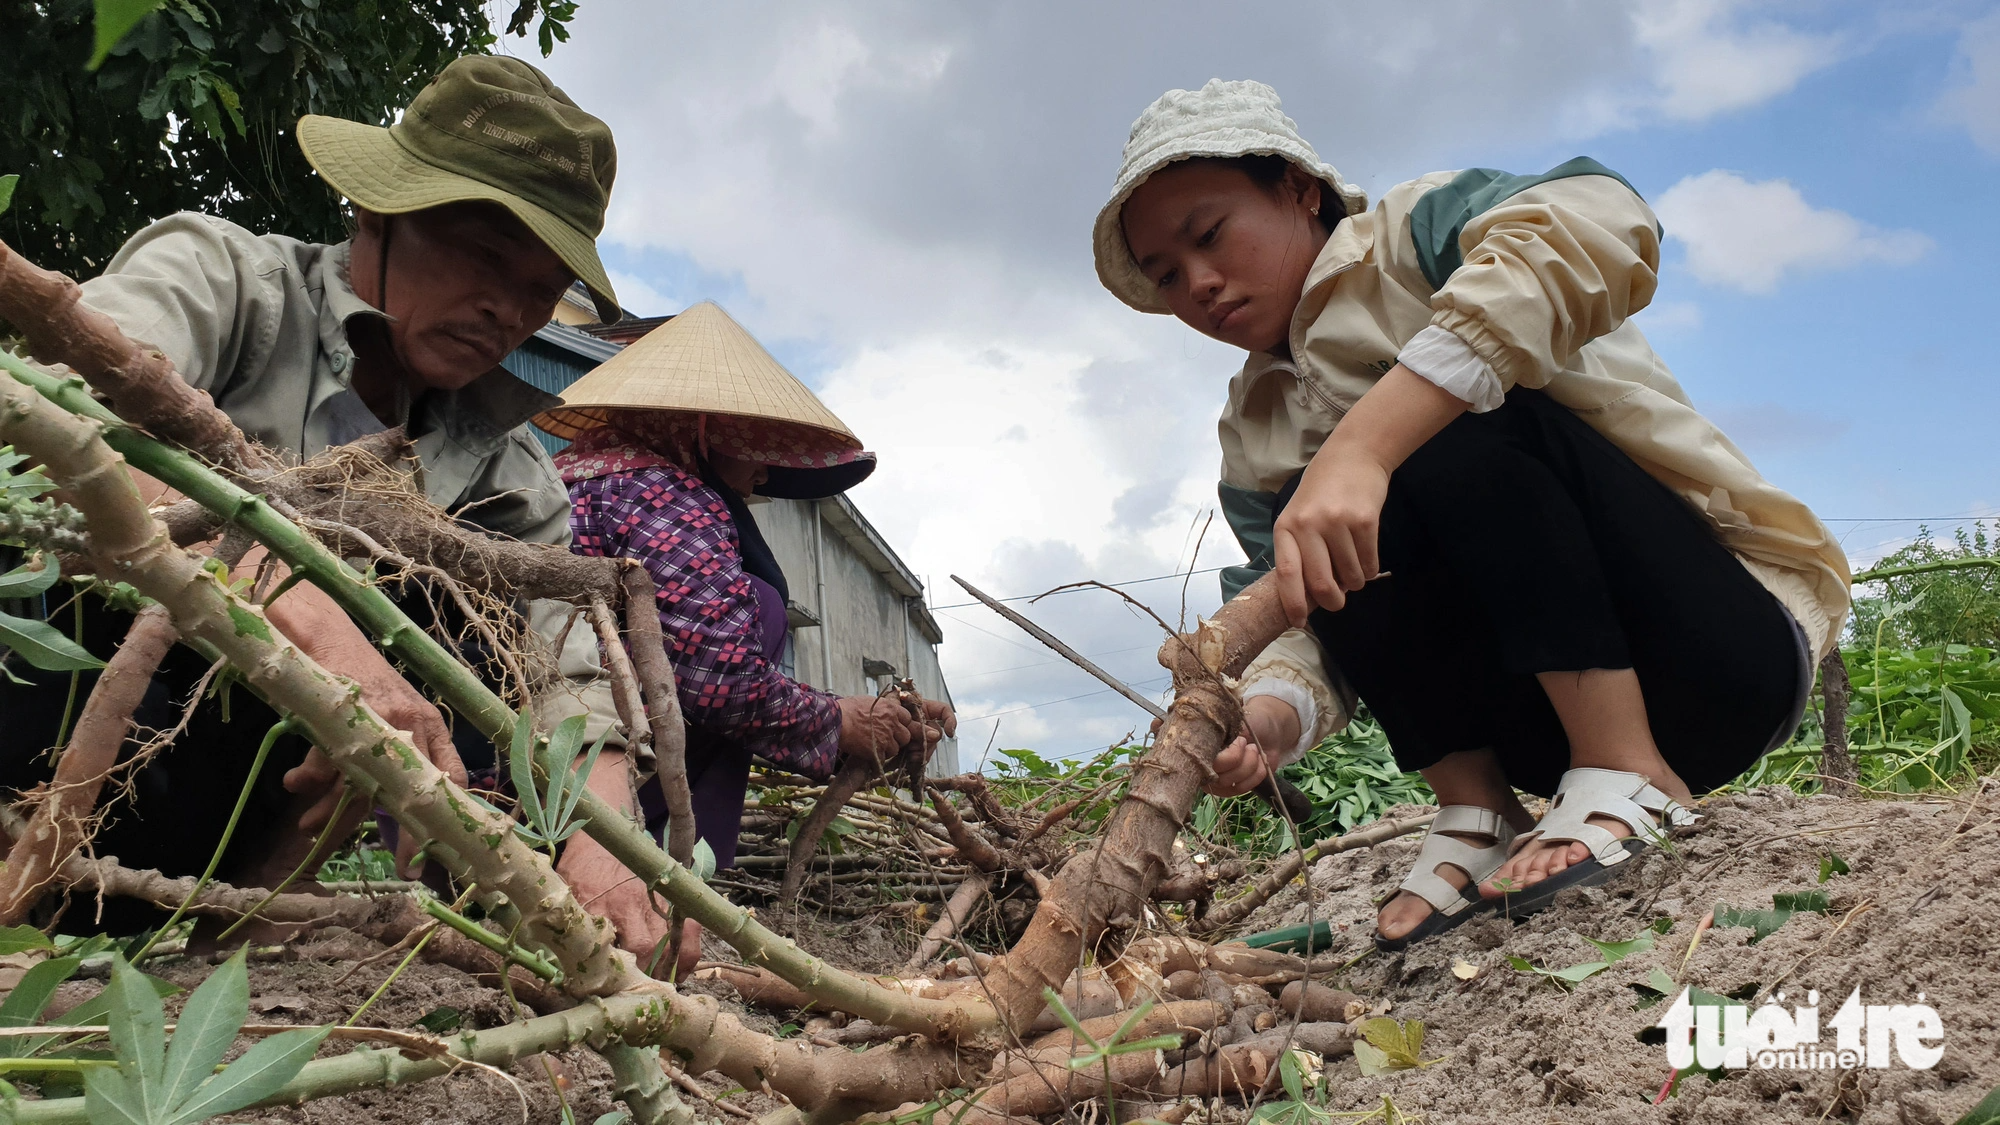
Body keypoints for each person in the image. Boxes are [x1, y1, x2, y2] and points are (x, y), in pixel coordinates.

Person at [1094, 80, 1850, 949]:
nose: (1199, 284)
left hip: (1715, 650)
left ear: (1299, 189)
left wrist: (1368, 444)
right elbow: (1301, 620)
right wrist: (1266, 720)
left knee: (1448, 417)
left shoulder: (1420, 235)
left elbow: (1605, 219)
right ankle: (1479, 807)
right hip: (1537, 734)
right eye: (1166, 275)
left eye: (1209, 235)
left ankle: (1629, 766)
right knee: (1322, 538)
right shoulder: (1252, 431)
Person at [0, 56, 629, 923]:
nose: (507, 311)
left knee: (470, 619)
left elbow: (572, 675)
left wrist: (609, 848)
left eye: (541, 289)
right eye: (485, 257)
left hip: (233, 831)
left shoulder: (506, 470)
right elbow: (46, 426)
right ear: (378, 208)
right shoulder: (227, 280)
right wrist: (329, 640)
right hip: (64, 713)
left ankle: (242, 916)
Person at [532, 302, 956, 977]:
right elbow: (717, 679)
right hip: (594, 775)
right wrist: (836, 722)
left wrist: (846, 713)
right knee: (755, 606)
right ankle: (648, 888)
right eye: (754, 445)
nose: (764, 474)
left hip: (527, 768)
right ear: (702, 428)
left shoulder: (570, 478)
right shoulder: (664, 491)